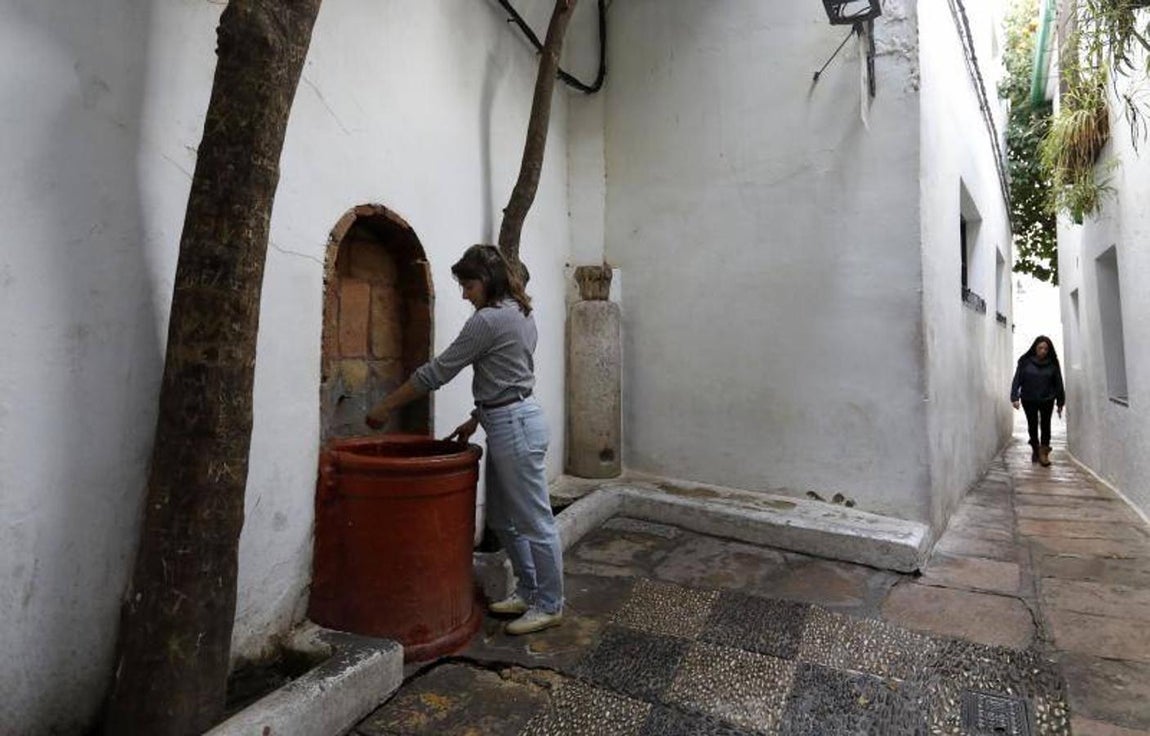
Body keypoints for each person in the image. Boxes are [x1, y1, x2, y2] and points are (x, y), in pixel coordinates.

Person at [364, 244, 563, 635]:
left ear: (487, 281)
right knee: (506, 520)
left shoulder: (487, 321)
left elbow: (437, 372)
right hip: (510, 418)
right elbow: (510, 372)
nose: (464, 293)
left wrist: (385, 406)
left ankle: (550, 603)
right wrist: (477, 417)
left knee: (534, 520)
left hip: (514, 426)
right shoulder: (520, 311)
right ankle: (528, 590)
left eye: (468, 285)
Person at [1010, 335, 1065, 467]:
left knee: (1046, 425)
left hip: (1047, 399)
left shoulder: (1053, 363)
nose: (1043, 351)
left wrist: (1060, 402)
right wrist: (1014, 397)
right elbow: (1017, 379)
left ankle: (1044, 452)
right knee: (1032, 425)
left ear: (1049, 350)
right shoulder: (1025, 362)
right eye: (1040, 348)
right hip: (1029, 398)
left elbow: (1058, 383)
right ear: (1035, 348)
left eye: (1045, 349)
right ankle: (1035, 447)